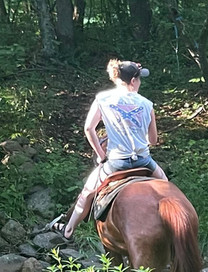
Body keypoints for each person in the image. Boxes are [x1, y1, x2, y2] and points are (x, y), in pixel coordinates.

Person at [51, 59, 168, 240]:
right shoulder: (147, 104)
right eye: (139, 79)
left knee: (87, 193)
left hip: (116, 163)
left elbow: (89, 129)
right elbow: (153, 141)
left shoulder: (103, 99)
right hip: (144, 161)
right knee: (167, 186)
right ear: (133, 81)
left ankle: (68, 230)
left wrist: (101, 155)